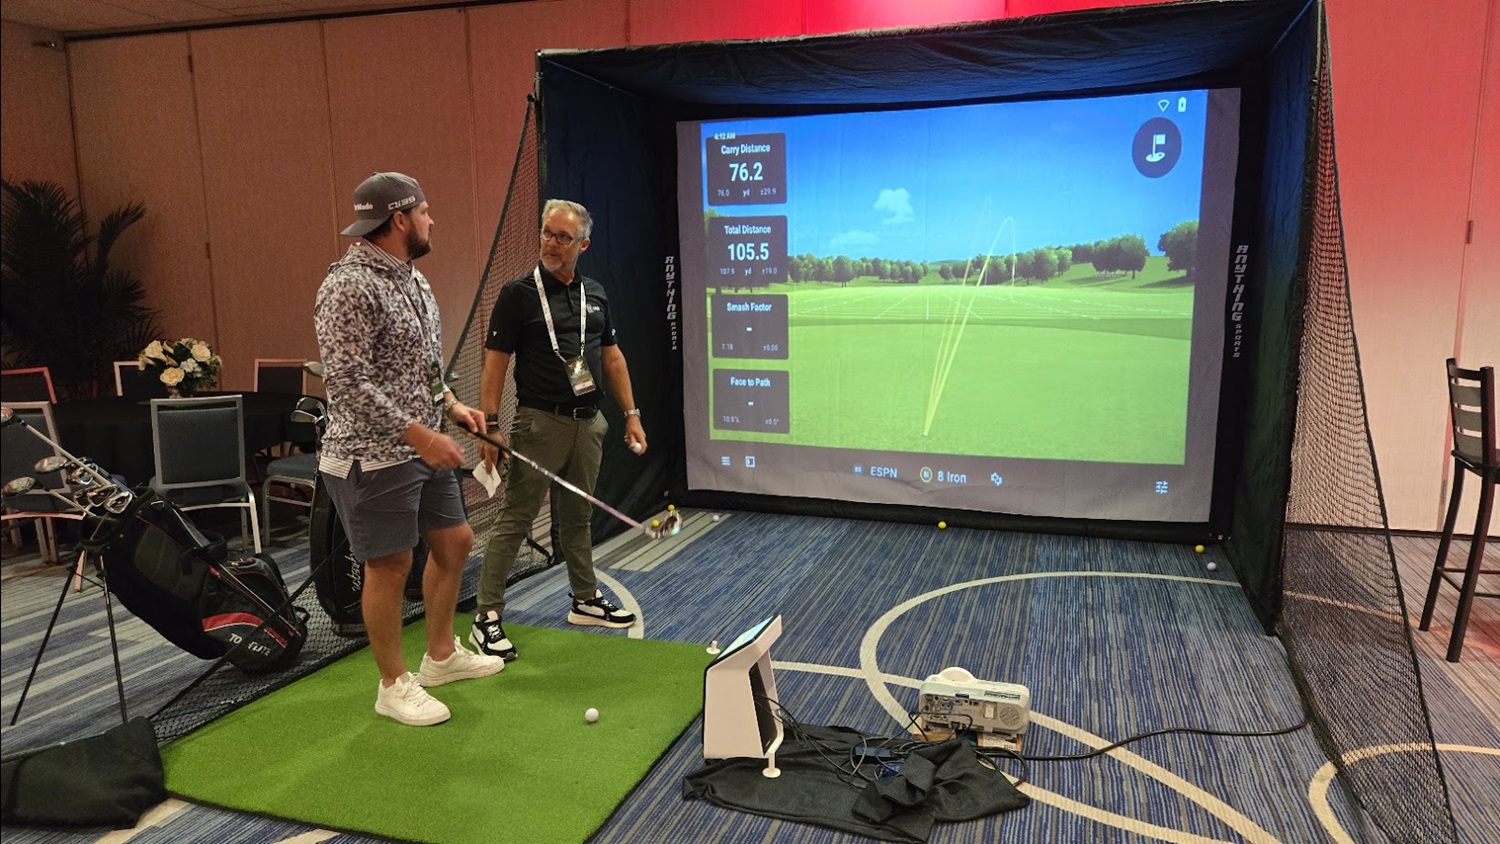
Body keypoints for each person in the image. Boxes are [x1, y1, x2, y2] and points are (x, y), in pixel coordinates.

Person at [315, 172, 505, 726]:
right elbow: (347, 382)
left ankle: (440, 657)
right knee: (390, 563)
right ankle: (393, 684)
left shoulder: (412, 279)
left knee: (455, 541)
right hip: (371, 456)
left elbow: (421, 364)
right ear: (399, 219)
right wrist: (421, 435)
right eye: (424, 211)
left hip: (422, 446)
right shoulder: (349, 286)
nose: (431, 219)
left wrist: (452, 405)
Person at [472, 199, 647, 661]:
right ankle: (486, 617)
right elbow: (494, 362)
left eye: (563, 237)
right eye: (547, 233)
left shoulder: (596, 293)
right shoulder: (518, 294)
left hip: (588, 423)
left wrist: (631, 414)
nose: (551, 243)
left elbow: (611, 357)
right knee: (516, 517)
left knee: (577, 517)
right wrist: (490, 427)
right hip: (540, 422)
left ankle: (584, 600)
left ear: (582, 245)